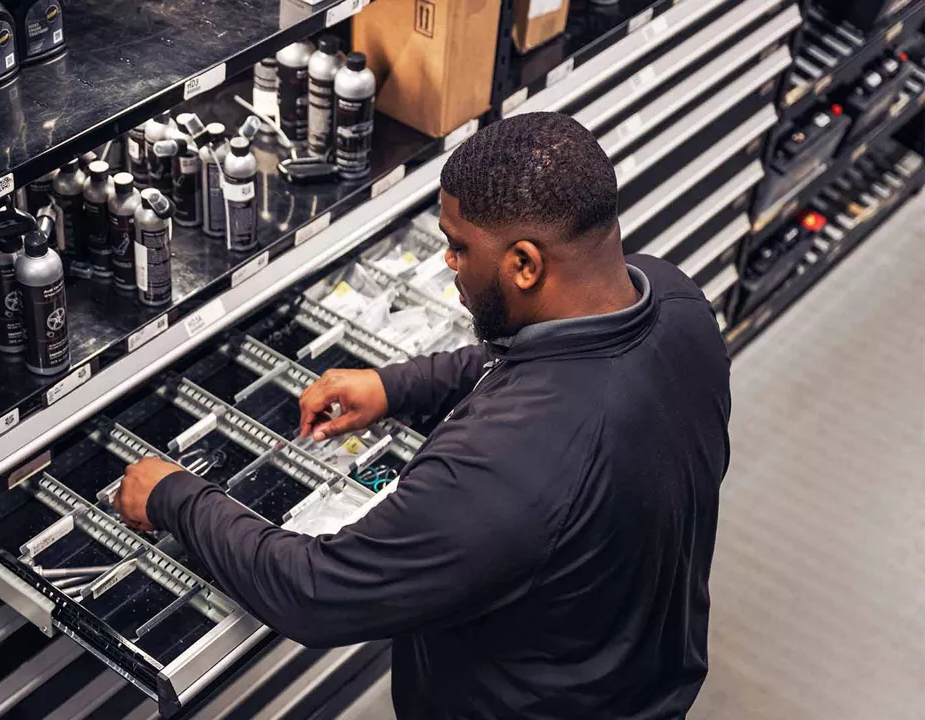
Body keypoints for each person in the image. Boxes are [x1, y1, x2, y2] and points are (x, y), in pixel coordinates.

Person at [115, 112, 731, 718]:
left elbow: (317, 591)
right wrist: (396, 385)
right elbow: (532, 356)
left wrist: (176, 497)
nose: (448, 263)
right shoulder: (675, 304)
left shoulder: (510, 465)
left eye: (459, 246)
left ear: (524, 264)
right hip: (634, 669)